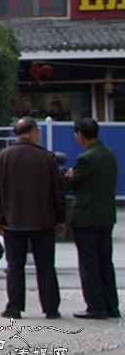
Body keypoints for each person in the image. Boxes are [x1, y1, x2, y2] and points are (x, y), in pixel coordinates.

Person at [0, 116, 65, 320]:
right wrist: (60, 218)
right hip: (43, 221)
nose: (39, 134)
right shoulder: (46, 158)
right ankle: (51, 308)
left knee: (14, 266)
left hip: (12, 221)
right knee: (46, 265)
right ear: (31, 133)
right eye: (38, 131)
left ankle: (14, 307)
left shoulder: (2, 157)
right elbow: (57, 191)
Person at [66, 117, 120, 319]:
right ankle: (111, 305)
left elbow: (72, 183)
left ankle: (95, 306)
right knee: (105, 262)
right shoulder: (109, 154)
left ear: (80, 134)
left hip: (87, 217)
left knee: (89, 264)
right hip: (106, 216)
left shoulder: (86, 158)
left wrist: (69, 176)